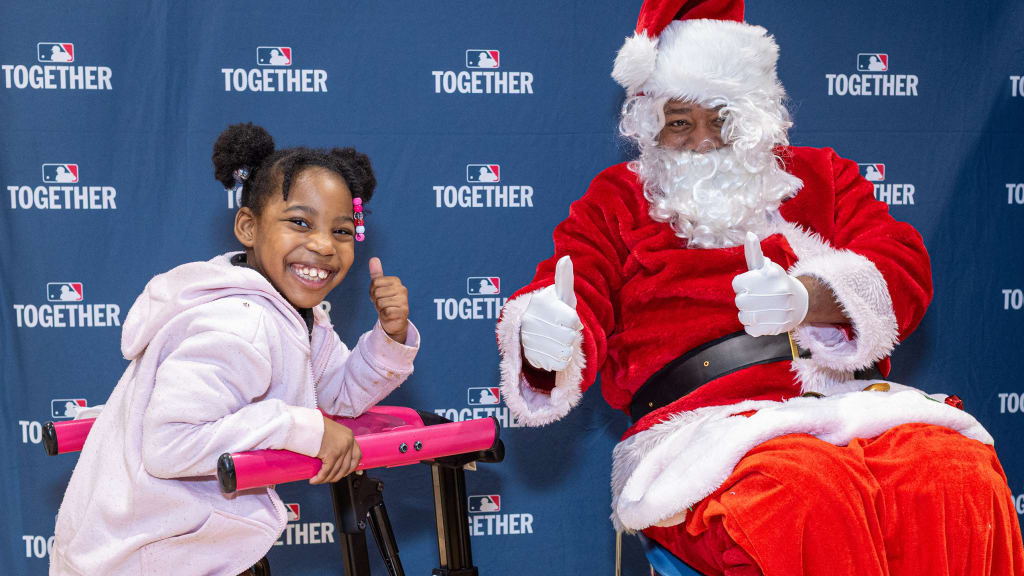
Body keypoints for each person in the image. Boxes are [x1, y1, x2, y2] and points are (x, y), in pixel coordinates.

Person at [495, 1, 1024, 574]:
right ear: (651, 126)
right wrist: (545, 337)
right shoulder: (619, 200)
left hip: (849, 406)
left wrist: (811, 297)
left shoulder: (822, 176)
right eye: (680, 122)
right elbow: (572, 293)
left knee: (954, 474)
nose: (703, 141)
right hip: (702, 430)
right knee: (800, 495)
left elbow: (902, 263)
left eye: (720, 117)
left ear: (754, 114)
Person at [50, 122, 419, 576]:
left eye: (342, 231)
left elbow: (336, 395)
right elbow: (171, 442)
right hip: (142, 558)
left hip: (180, 547)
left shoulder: (295, 317)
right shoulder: (238, 321)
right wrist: (299, 427)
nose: (323, 245)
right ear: (248, 226)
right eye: (300, 222)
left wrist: (390, 336)